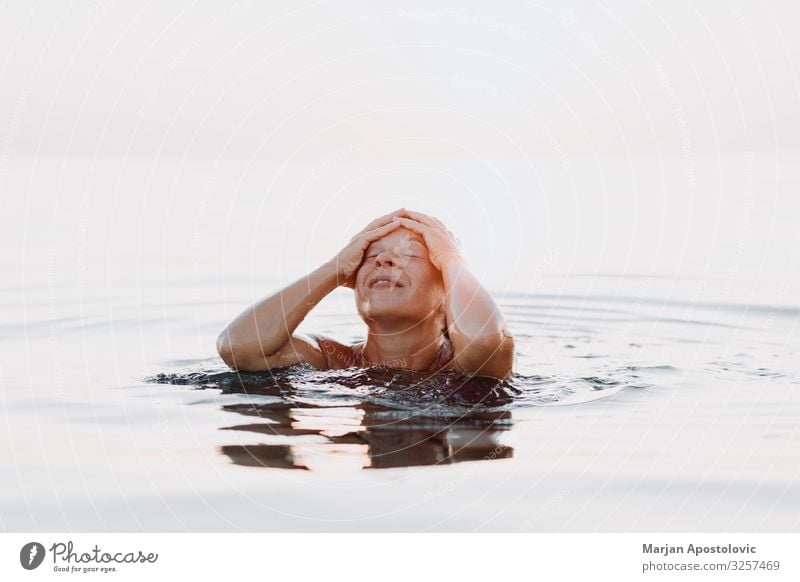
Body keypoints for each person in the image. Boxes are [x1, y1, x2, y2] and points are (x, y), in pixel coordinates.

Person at [216, 208, 514, 380]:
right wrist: (333, 270)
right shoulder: (331, 359)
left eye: (410, 255)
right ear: (352, 282)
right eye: (370, 257)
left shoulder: (464, 363)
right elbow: (239, 347)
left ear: (448, 290)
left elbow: (484, 337)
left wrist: (452, 261)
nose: (384, 261)